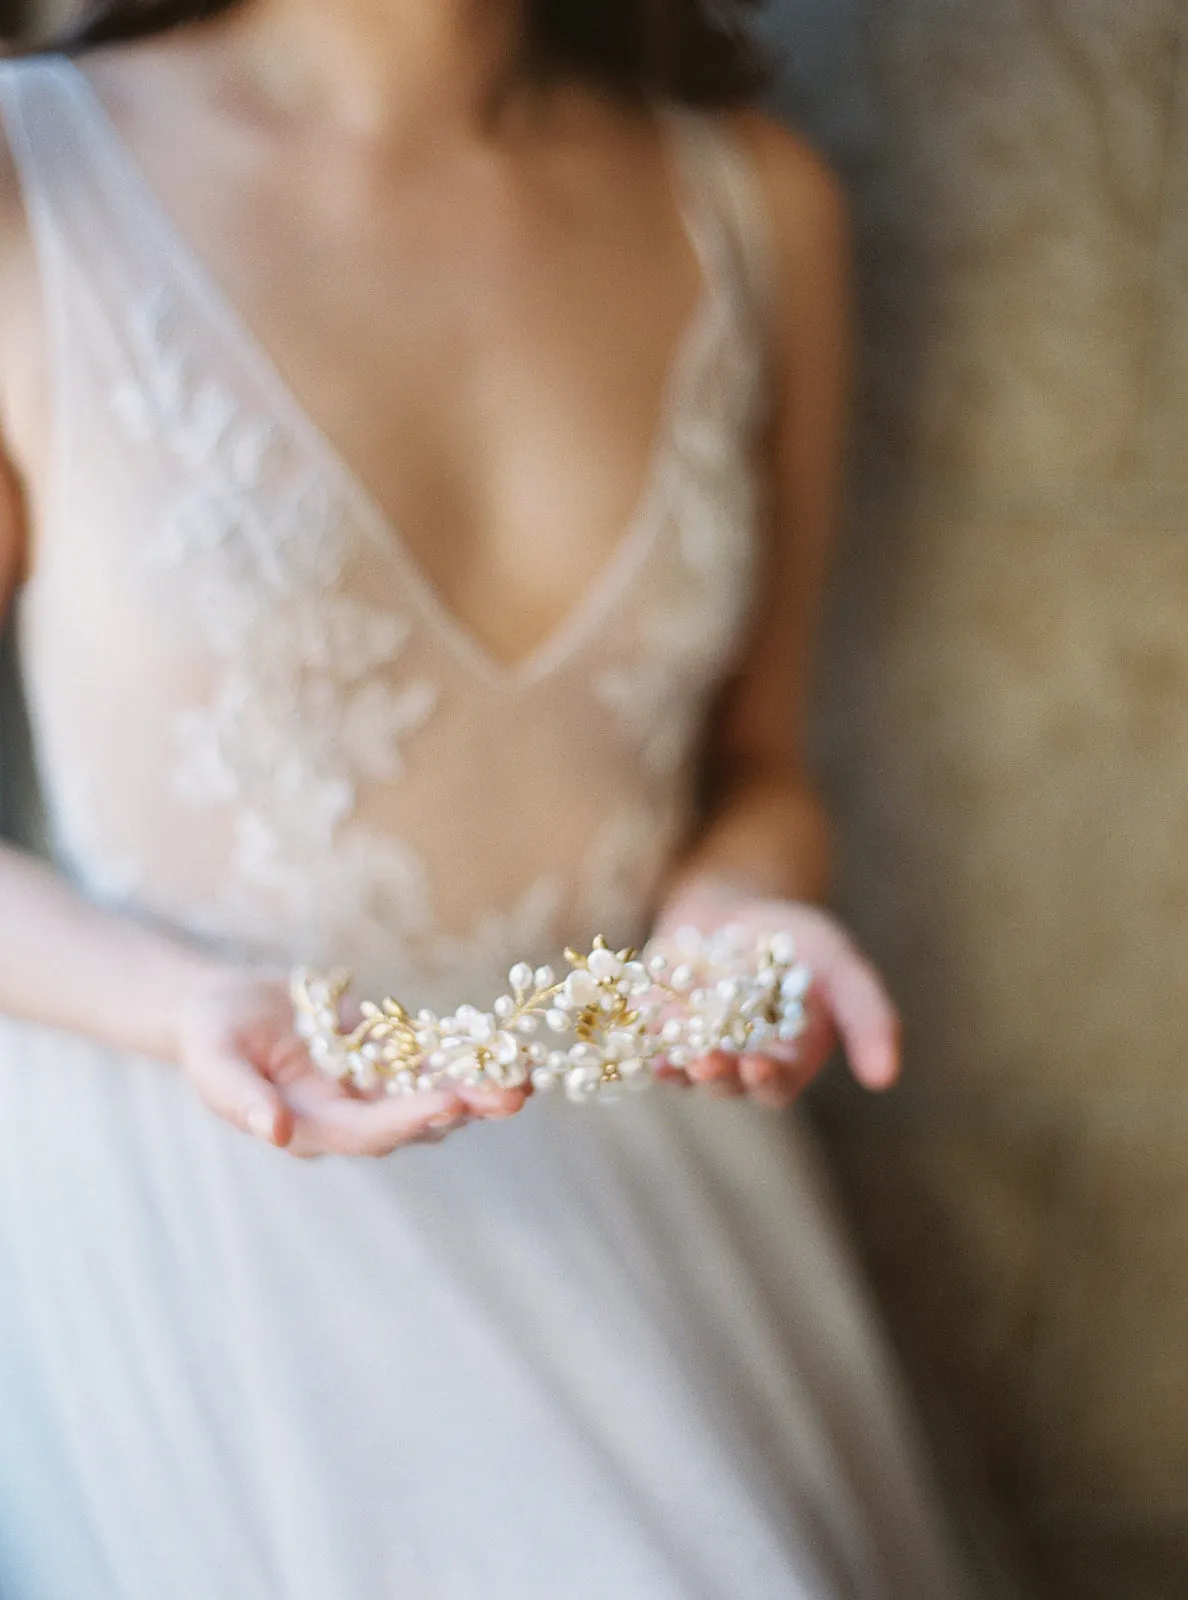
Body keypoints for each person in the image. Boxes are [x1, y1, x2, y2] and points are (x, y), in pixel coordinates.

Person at [0, 1, 973, 1594]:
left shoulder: (755, 202)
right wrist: (185, 1008)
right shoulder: (33, 171)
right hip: (202, 1198)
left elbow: (759, 772)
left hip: (642, 1166)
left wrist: (735, 912)